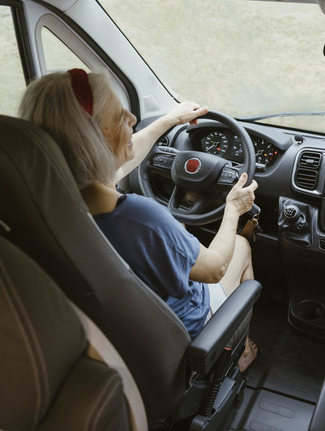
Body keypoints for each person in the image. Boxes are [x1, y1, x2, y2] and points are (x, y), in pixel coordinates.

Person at [18, 69, 258, 370]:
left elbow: (118, 164)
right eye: (120, 117)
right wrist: (233, 209)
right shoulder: (140, 219)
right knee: (240, 246)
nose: (132, 118)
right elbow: (213, 269)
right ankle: (239, 351)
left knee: (182, 228)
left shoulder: (48, 201)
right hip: (186, 327)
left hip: (120, 336)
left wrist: (168, 121)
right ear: (94, 141)